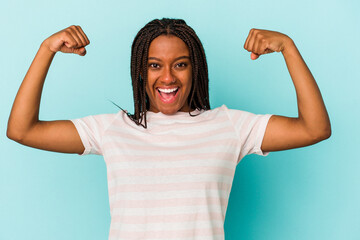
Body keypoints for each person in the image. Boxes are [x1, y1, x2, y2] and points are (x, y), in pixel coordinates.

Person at [7, 18, 331, 239]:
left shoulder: (229, 126)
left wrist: (288, 48)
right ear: (140, 72)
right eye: (154, 65)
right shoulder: (112, 130)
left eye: (180, 64)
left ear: (195, 69)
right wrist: (45, 50)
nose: (167, 78)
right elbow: (22, 130)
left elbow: (314, 128)